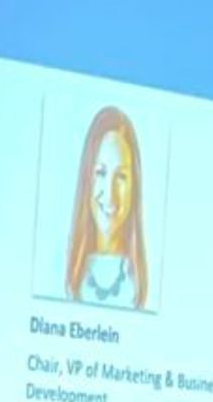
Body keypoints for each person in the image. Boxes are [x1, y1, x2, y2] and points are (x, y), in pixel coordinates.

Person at [60, 106, 151, 309]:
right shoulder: (63, 269)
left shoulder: (141, 281)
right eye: (100, 173)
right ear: (87, 179)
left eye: (121, 177)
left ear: (134, 186)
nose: (110, 194)